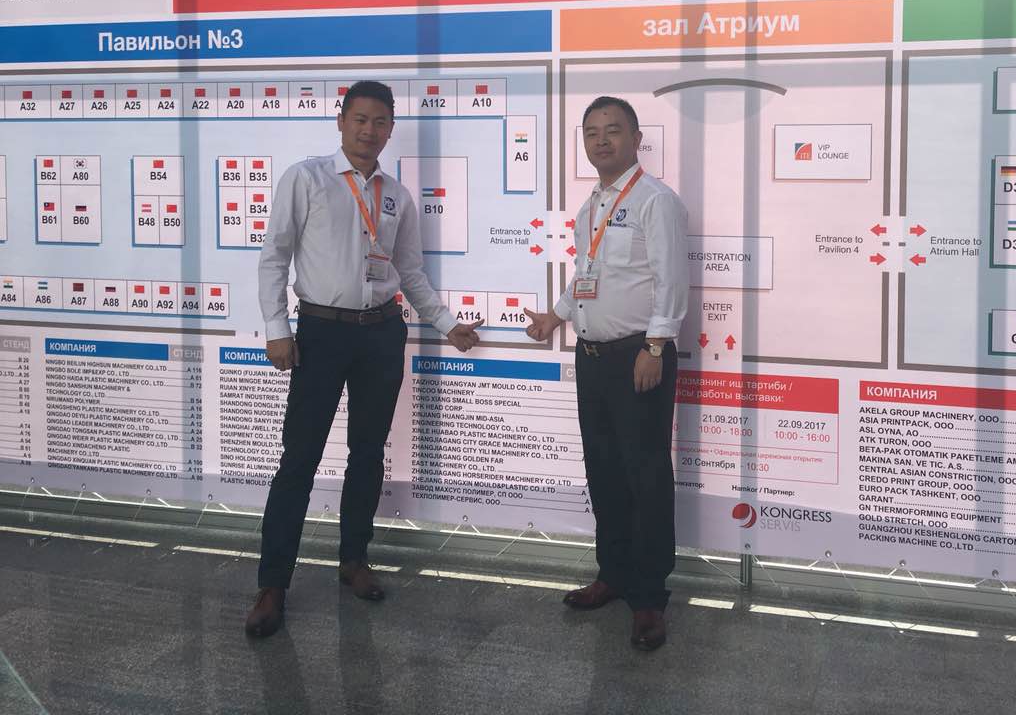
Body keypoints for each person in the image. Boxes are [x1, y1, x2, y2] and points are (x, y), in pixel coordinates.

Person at [245, 79, 482, 638]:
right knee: (299, 458)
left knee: (368, 453)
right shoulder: (306, 178)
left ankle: (354, 559)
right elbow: (274, 256)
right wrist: (277, 329)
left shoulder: (396, 196)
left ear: (390, 129)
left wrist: (446, 324)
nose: (368, 130)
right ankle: (273, 584)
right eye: (359, 119)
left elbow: (410, 272)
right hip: (321, 332)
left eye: (379, 122)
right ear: (341, 121)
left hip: (380, 334)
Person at [523, 95, 689, 651]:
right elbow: (587, 271)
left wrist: (656, 346)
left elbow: (671, 280)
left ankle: (649, 598)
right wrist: (557, 315)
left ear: (636, 138)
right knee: (604, 470)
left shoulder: (655, 200)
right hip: (592, 357)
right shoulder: (592, 204)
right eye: (591, 132)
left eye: (612, 130)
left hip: (638, 356)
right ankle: (612, 574)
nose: (601, 140)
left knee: (645, 475)